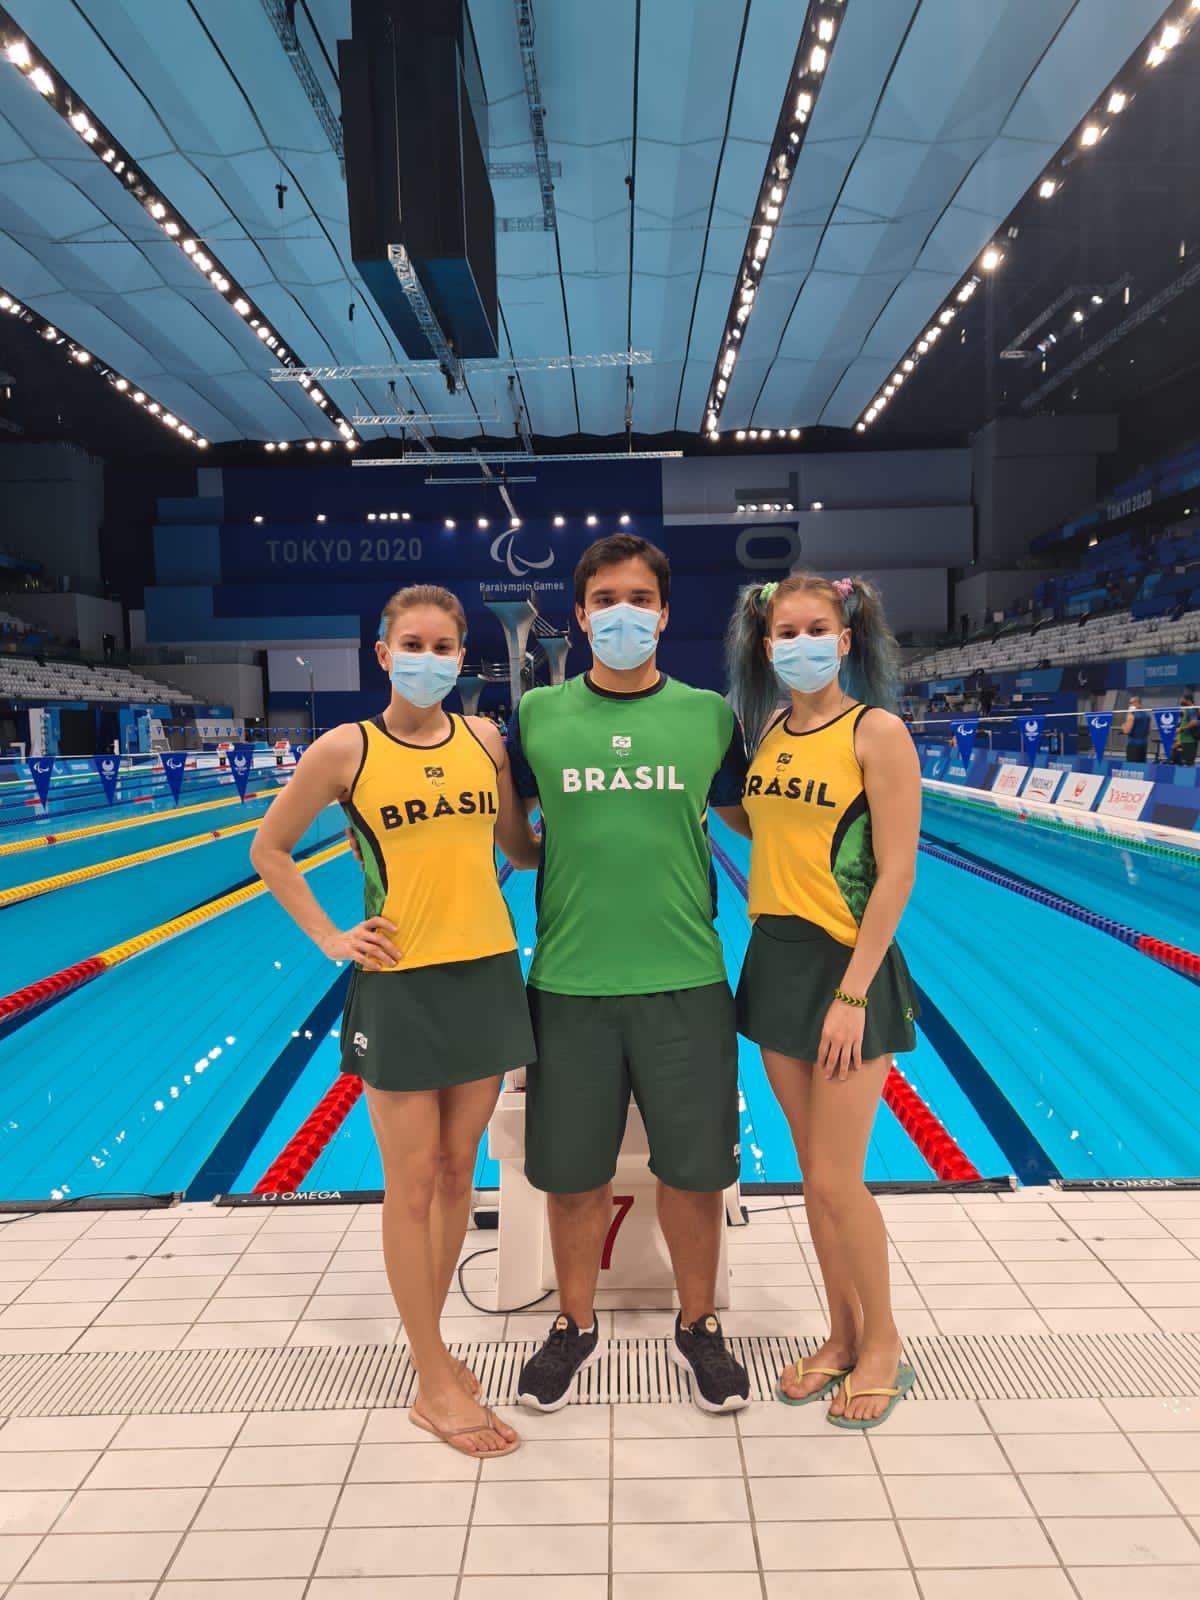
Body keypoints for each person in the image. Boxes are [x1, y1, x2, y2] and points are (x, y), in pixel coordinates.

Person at [250, 584, 539, 1459]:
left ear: (461, 656)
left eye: (443, 646)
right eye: (412, 644)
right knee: (410, 1183)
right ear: (383, 654)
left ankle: (435, 1351)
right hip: (401, 982)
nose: (428, 658)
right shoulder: (347, 749)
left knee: (457, 1176)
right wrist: (332, 938)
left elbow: (517, 849)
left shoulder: (485, 740)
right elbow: (269, 849)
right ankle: (431, 1377)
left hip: (486, 971)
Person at [506, 533, 752, 1414]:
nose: (623, 614)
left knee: (695, 1172)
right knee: (574, 1176)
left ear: (665, 613)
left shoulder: (709, 717)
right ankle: (573, 1325)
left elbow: (754, 818)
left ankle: (700, 1325)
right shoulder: (538, 717)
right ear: (580, 615)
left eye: (639, 599)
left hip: (686, 979)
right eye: (606, 599)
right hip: (570, 984)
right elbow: (512, 839)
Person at [722, 573, 921, 1430]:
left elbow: (898, 872)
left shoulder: (876, 733)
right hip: (775, 960)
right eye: (785, 632)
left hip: (847, 969)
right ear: (767, 647)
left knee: (840, 1180)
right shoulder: (769, 730)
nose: (799, 643)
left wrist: (852, 993)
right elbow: (759, 820)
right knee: (814, 1179)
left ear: (844, 641)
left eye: (816, 630)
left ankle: (884, 1344)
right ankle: (841, 1335)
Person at [1173, 694, 1199, 766]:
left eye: (1183, 699)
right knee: (1183, 762)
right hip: (1185, 740)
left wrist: (1181, 729)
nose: (1182, 701)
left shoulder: (1191, 709)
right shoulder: (1188, 709)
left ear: (1188, 700)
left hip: (1189, 740)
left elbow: (1194, 722)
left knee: (1188, 763)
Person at [1123, 695, 1150, 764]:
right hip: (1143, 745)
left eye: (1130, 703)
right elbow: (1149, 731)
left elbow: (1126, 731)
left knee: (1132, 767)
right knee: (1141, 767)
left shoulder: (1131, 715)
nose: (1129, 705)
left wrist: (1123, 725)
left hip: (1133, 745)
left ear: (1136, 703)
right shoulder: (1147, 715)